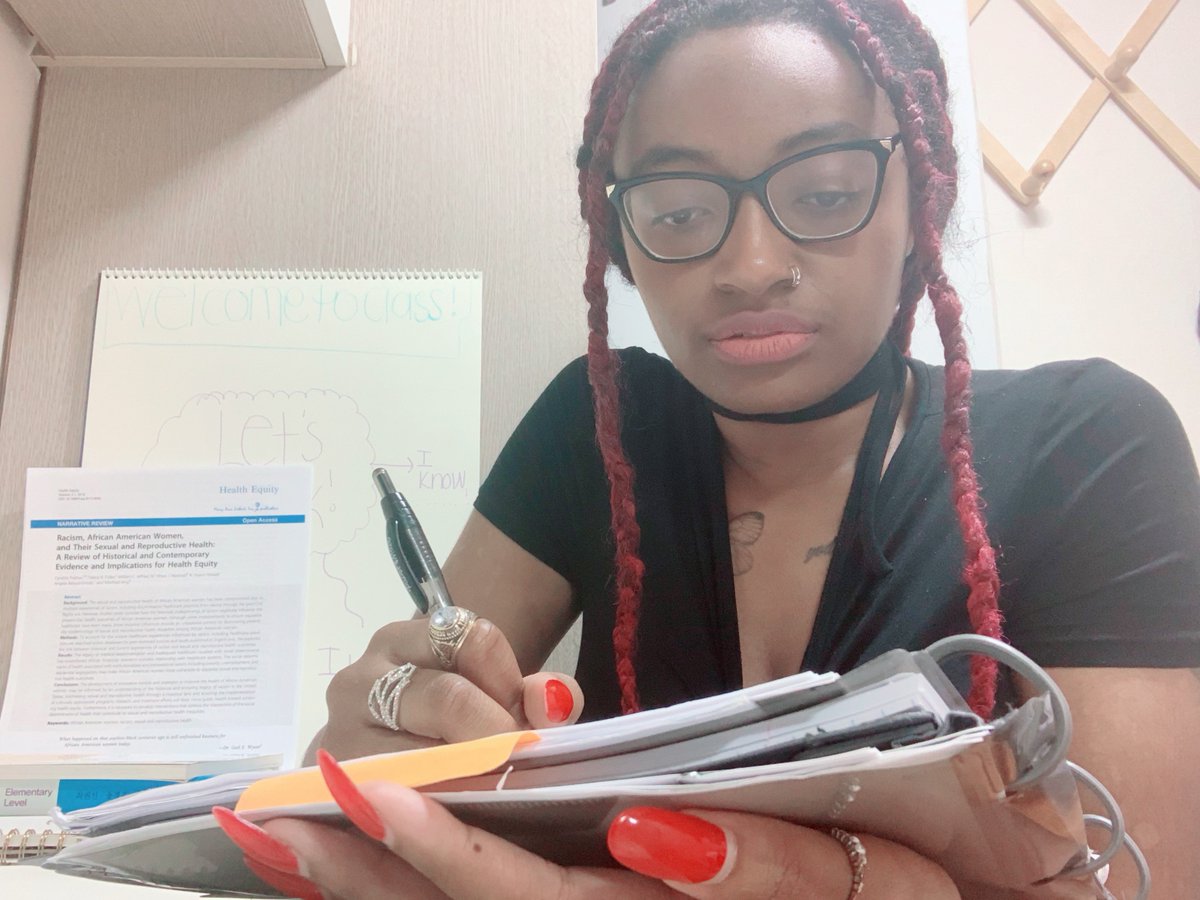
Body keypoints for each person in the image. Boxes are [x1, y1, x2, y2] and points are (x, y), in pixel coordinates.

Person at [213, 1, 1200, 896]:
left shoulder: (1092, 442)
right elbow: (393, 760)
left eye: (821, 194)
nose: (749, 266)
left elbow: (1142, 879)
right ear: (623, 238)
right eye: (681, 212)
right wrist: (391, 722)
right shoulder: (596, 428)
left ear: (920, 198)